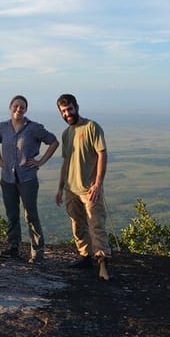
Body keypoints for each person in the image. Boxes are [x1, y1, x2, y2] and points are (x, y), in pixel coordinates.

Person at [0, 95, 59, 263]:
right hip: (7, 178)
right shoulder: (3, 127)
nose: (18, 109)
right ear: (10, 107)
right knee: (12, 213)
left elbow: (53, 142)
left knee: (31, 214)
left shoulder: (34, 128)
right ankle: (13, 247)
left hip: (27, 177)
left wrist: (40, 161)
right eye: (16, 106)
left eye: (22, 107)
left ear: (26, 109)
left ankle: (37, 251)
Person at [55, 93, 111, 280]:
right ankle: (85, 256)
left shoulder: (91, 127)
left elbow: (102, 155)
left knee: (96, 225)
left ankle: (102, 262)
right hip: (71, 188)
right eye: (63, 111)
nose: (67, 113)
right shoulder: (66, 133)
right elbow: (66, 162)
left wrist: (97, 184)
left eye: (69, 109)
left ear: (76, 107)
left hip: (89, 188)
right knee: (77, 225)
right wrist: (60, 187)